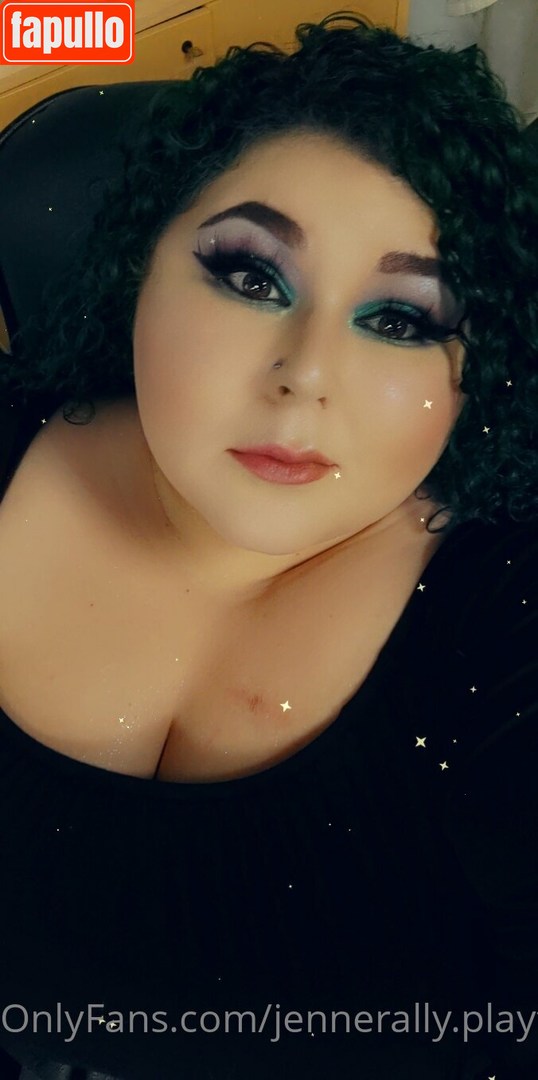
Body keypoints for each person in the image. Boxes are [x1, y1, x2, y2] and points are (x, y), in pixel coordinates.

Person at [0, 11, 536, 1080]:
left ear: (475, 372)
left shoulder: (501, 612)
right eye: (252, 278)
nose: (307, 376)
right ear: (138, 265)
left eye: (401, 320)